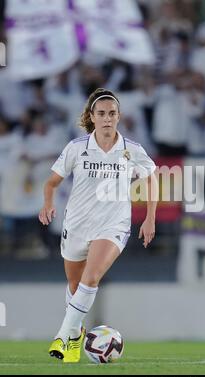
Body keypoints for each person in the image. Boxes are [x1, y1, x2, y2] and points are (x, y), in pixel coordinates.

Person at [38, 88, 158, 363]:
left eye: (112, 114)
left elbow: (151, 178)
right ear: (91, 117)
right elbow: (51, 182)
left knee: (91, 278)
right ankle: (75, 336)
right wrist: (47, 204)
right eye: (101, 114)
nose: (107, 119)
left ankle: (62, 334)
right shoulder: (77, 148)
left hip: (113, 224)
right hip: (77, 223)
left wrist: (149, 217)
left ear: (119, 117)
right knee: (74, 282)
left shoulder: (132, 150)